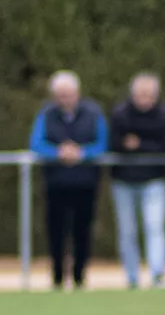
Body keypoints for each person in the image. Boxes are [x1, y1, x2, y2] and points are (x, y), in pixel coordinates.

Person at [28, 71, 108, 290]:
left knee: (83, 230)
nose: (65, 99)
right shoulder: (46, 114)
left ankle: (79, 276)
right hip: (55, 182)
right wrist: (58, 153)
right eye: (60, 95)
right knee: (55, 231)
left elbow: (102, 144)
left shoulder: (93, 113)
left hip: (86, 182)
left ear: (77, 93)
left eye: (69, 94)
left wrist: (82, 153)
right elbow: (36, 144)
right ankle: (57, 277)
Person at [109, 73, 165, 289]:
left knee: (154, 226)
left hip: (154, 180)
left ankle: (157, 274)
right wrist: (126, 145)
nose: (145, 100)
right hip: (123, 181)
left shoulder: (164, 115)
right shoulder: (120, 114)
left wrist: (140, 145)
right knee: (127, 230)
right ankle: (132, 277)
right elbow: (112, 144)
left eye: (149, 95)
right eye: (141, 95)